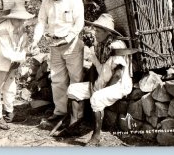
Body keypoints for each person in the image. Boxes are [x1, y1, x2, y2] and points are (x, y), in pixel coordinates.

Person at [57, 13, 133, 146]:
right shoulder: (99, 44)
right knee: (73, 89)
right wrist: (93, 84)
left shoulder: (117, 45)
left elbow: (118, 74)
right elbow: (94, 67)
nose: (94, 33)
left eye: (98, 30)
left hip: (118, 84)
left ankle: (96, 136)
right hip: (102, 81)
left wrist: (102, 89)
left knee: (97, 98)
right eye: (95, 29)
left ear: (107, 32)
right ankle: (74, 125)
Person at [29, 0, 85, 122]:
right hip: (54, 44)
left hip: (72, 43)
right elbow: (41, 22)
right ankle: (60, 112)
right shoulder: (46, 2)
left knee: (76, 79)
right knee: (57, 79)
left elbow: (79, 23)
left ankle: (76, 116)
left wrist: (67, 38)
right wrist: (35, 41)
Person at [0, 3, 35, 130]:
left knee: (10, 87)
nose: (21, 21)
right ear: (11, 18)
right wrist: (25, 54)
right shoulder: (2, 29)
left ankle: (9, 112)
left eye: (23, 19)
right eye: (19, 19)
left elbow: (22, 45)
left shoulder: (21, 28)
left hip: (13, 62)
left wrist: (25, 49)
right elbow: (5, 52)